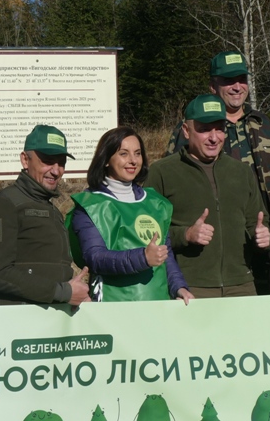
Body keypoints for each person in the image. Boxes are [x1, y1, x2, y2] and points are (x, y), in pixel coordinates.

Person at [166, 51, 270, 293]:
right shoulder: (192, 128)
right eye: (228, 81)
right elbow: (173, 183)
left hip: (261, 240)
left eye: (241, 79)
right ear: (213, 86)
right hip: (212, 250)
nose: (236, 87)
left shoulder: (262, 124)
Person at [147, 95, 270, 298]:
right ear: (186, 131)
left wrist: (264, 236)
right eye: (204, 129)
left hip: (242, 286)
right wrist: (186, 235)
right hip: (190, 288)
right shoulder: (162, 172)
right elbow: (147, 232)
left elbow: (258, 221)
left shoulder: (241, 172)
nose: (214, 137)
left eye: (219, 128)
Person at [67, 126, 194, 304]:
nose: (133, 160)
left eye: (138, 153)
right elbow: (95, 258)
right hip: (114, 306)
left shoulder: (156, 203)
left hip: (157, 303)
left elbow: (165, 255)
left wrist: (178, 287)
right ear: (106, 160)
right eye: (124, 154)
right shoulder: (91, 205)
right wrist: (142, 258)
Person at [0, 124, 90, 306]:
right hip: (18, 324)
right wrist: (63, 292)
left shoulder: (52, 209)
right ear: (25, 160)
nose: (56, 170)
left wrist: (75, 294)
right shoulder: (3, 204)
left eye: (61, 162)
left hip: (49, 319)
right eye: (47, 161)